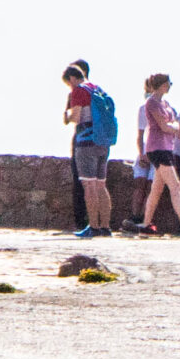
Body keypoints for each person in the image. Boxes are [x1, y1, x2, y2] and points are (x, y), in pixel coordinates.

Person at [133, 74, 180, 236]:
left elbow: (172, 124)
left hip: (166, 147)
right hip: (157, 149)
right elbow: (165, 126)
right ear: (162, 85)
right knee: (175, 185)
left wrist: (174, 126)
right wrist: (177, 128)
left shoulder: (164, 103)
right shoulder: (151, 103)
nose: (170, 85)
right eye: (168, 83)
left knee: (156, 189)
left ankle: (145, 225)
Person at [62, 61, 113, 239]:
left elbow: (76, 117)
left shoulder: (79, 91)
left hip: (86, 142)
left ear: (72, 78)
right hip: (103, 142)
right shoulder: (97, 88)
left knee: (88, 185)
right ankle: (106, 227)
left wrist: (67, 117)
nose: (70, 87)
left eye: (69, 83)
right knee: (101, 185)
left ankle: (93, 226)